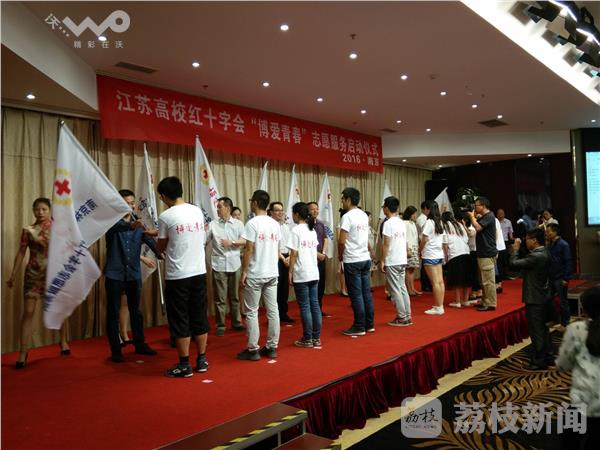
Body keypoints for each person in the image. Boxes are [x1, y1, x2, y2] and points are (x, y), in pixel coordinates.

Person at [6, 198, 70, 368]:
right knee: (28, 311)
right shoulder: (28, 230)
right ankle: (23, 351)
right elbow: (21, 252)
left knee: (59, 309)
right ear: (33, 211)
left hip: (54, 274)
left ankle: (63, 341)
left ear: (49, 210)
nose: (40, 212)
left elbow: (67, 249)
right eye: (37, 209)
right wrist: (13, 274)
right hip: (33, 274)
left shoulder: (59, 227)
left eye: (44, 209)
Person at [157, 176, 209, 378]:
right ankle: (202, 360)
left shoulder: (165, 216)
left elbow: (161, 245)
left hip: (177, 275)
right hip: (199, 271)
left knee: (180, 318)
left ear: (164, 196)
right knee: (199, 315)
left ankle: (184, 364)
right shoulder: (196, 211)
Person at [104, 189, 160, 363]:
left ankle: (140, 344)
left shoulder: (138, 223)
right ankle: (116, 350)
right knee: (113, 313)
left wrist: (160, 252)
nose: (129, 206)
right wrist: (131, 226)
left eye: (131, 203)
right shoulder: (111, 222)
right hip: (114, 274)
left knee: (136, 311)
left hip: (133, 274)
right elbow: (118, 228)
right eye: (125, 203)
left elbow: (149, 240)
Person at [237, 190, 281, 361]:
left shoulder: (252, 223)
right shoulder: (275, 224)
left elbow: (249, 249)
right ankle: (272, 347)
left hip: (256, 273)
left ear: (255, 203)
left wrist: (244, 272)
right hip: (272, 272)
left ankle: (253, 349)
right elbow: (277, 248)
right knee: (273, 310)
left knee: (252, 311)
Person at [556, 286, 600, 450]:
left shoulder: (577, 329)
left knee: (568, 434)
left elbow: (563, 365)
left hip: (585, 400)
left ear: (586, 309)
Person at [510, 229, 553, 370]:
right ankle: (548, 356)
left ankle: (538, 361)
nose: (525, 241)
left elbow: (514, 263)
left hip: (535, 298)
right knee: (543, 329)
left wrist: (515, 250)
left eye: (527, 239)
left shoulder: (536, 256)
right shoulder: (545, 252)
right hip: (543, 295)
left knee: (536, 331)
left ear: (534, 240)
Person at [207, 196, 246, 336]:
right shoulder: (213, 224)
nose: (217, 209)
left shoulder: (238, 224)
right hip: (219, 265)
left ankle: (237, 322)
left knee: (235, 296)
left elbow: (245, 241)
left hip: (235, 263)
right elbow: (204, 240)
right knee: (220, 298)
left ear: (228, 208)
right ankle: (220, 325)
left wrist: (232, 242)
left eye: (219, 207)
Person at [338, 187, 374, 336]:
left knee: (356, 294)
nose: (342, 201)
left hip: (352, 259)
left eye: (343, 199)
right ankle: (369, 324)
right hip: (365, 258)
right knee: (366, 293)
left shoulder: (347, 216)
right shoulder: (363, 215)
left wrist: (340, 256)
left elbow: (341, 241)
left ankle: (359, 326)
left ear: (348, 199)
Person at [288, 202, 321, 347]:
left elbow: (293, 253)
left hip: (302, 273)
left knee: (305, 306)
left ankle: (307, 338)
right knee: (315, 305)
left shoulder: (296, 230)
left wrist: (290, 272)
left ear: (296, 214)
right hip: (313, 272)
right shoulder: (311, 230)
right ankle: (316, 337)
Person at [380, 196, 412, 327]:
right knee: (402, 288)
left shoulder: (388, 223)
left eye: (383, 207)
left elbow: (386, 244)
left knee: (395, 290)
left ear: (387, 208)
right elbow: (405, 241)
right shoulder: (401, 222)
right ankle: (407, 316)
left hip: (393, 260)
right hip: (402, 259)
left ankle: (402, 317)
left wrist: (382, 260)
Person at [467, 197, 498, 312]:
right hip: (483, 252)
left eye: (476, 205)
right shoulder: (485, 216)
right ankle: (485, 301)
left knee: (488, 281)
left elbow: (478, 227)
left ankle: (490, 303)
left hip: (487, 253)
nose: (475, 207)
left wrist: (471, 217)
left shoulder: (489, 216)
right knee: (483, 280)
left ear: (483, 206)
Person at [269, 201, 294, 323]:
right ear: (271, 212)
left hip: (286, 257)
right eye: (277, 210)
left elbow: (290, 244)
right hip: (275, 258)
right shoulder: (270, 226)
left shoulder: (285, 227)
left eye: (281, 210)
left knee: (284, 287)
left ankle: (283, 313)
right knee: (276, 288)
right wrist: (283, 259)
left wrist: (288, 257)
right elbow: (273, 246)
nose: (280, 212)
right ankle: (274, 316)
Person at [420, 201, 446, 315]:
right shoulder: (440, 221)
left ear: (428, 209)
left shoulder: (429, 222)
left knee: (435, 283)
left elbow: (424, 239)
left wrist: (419, 250)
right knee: (440, 282)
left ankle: (438, 307)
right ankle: (440, 305)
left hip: (429, 254)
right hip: (438, 253)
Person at [546, 223, 572, 332]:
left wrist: (566, 278)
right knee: (548, 299)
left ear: (555, 232)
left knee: (563, 302)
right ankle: (555, 319)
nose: (547, 233)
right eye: (546, 232)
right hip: (551, 277)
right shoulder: (549, 244)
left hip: (560, 277)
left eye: (549, 231)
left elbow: (568, 262)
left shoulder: (563, 244)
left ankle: (565, 323)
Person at [442, 211, 471, 308]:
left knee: (456, 278)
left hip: (454, 254)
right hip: (466, 252)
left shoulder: (445, 226)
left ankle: (457, 301)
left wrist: (446, 257)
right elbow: (466, 239)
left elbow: (445, 243)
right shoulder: (460, 224)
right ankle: (465, 300)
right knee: (466, 278)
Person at [307, 202, 329, 316]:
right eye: (312, 209)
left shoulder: (320, 224)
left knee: (321, 284)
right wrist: (316, 255)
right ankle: (311, 310)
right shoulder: (306, 225)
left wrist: (323, 253)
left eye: (317, 209)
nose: (315, 211)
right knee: (312, 285)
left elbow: (325, 239)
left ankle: (318, 309)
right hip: (310, 257)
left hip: (321, 257)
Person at [403, 206, 421, 296]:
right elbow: (405, 237)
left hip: (414, 247)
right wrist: (407, 249)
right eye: (414, 214)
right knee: (408, 269)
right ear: (409, 214)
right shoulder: (404, 223)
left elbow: (415, 237)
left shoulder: (413, 223)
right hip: (409, 248)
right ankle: (409, 289)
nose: (415, 216)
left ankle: (412, 288)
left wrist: (418, 247)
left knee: (412, 269)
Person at [416, 201, 433, 292]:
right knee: (425, 265)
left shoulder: (428, 218)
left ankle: (429, 284)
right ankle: (425, 284)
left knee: (428, 265)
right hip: (424, 242)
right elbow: (424, 233)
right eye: (429, 209)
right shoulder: (421, 219)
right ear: (425, 209)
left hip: (428, 243)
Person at [496, 209, 513, 283]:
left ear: (504, 214)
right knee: (498, 259)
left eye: (502, 213)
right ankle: (499, 275)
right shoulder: (495, 221)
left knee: (505, 259)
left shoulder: (508, 222)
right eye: (499, 213)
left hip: (505, 242)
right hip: (497, 242)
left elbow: (511, 233)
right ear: (497, 214)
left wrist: (512, 241)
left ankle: (505, 274)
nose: (500, 215)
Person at [337, 208, 349, 297]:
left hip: (350, 251)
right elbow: (339, 239)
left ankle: (348, 289)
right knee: (342, 270)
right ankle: (343, 289)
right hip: (343, 249)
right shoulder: (339, 225)